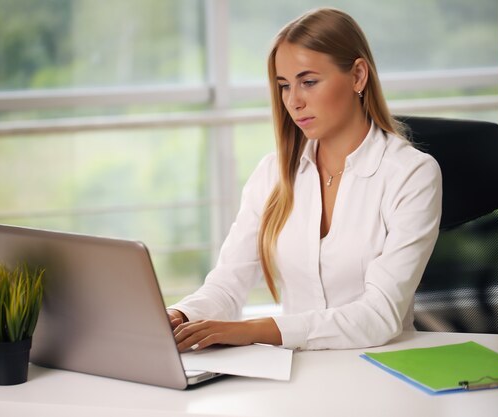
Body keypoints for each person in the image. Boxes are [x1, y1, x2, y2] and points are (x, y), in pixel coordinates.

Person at [168, 7, 442, 351]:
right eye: (284, 86)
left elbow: (379, 316)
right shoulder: (273, 173)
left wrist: (254, 330)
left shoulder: (411, 174)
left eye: (308, 82)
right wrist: (181, 314)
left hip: (382, 368)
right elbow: (228, 283)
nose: (293, 102)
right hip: (296, 371)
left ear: (358, 76)